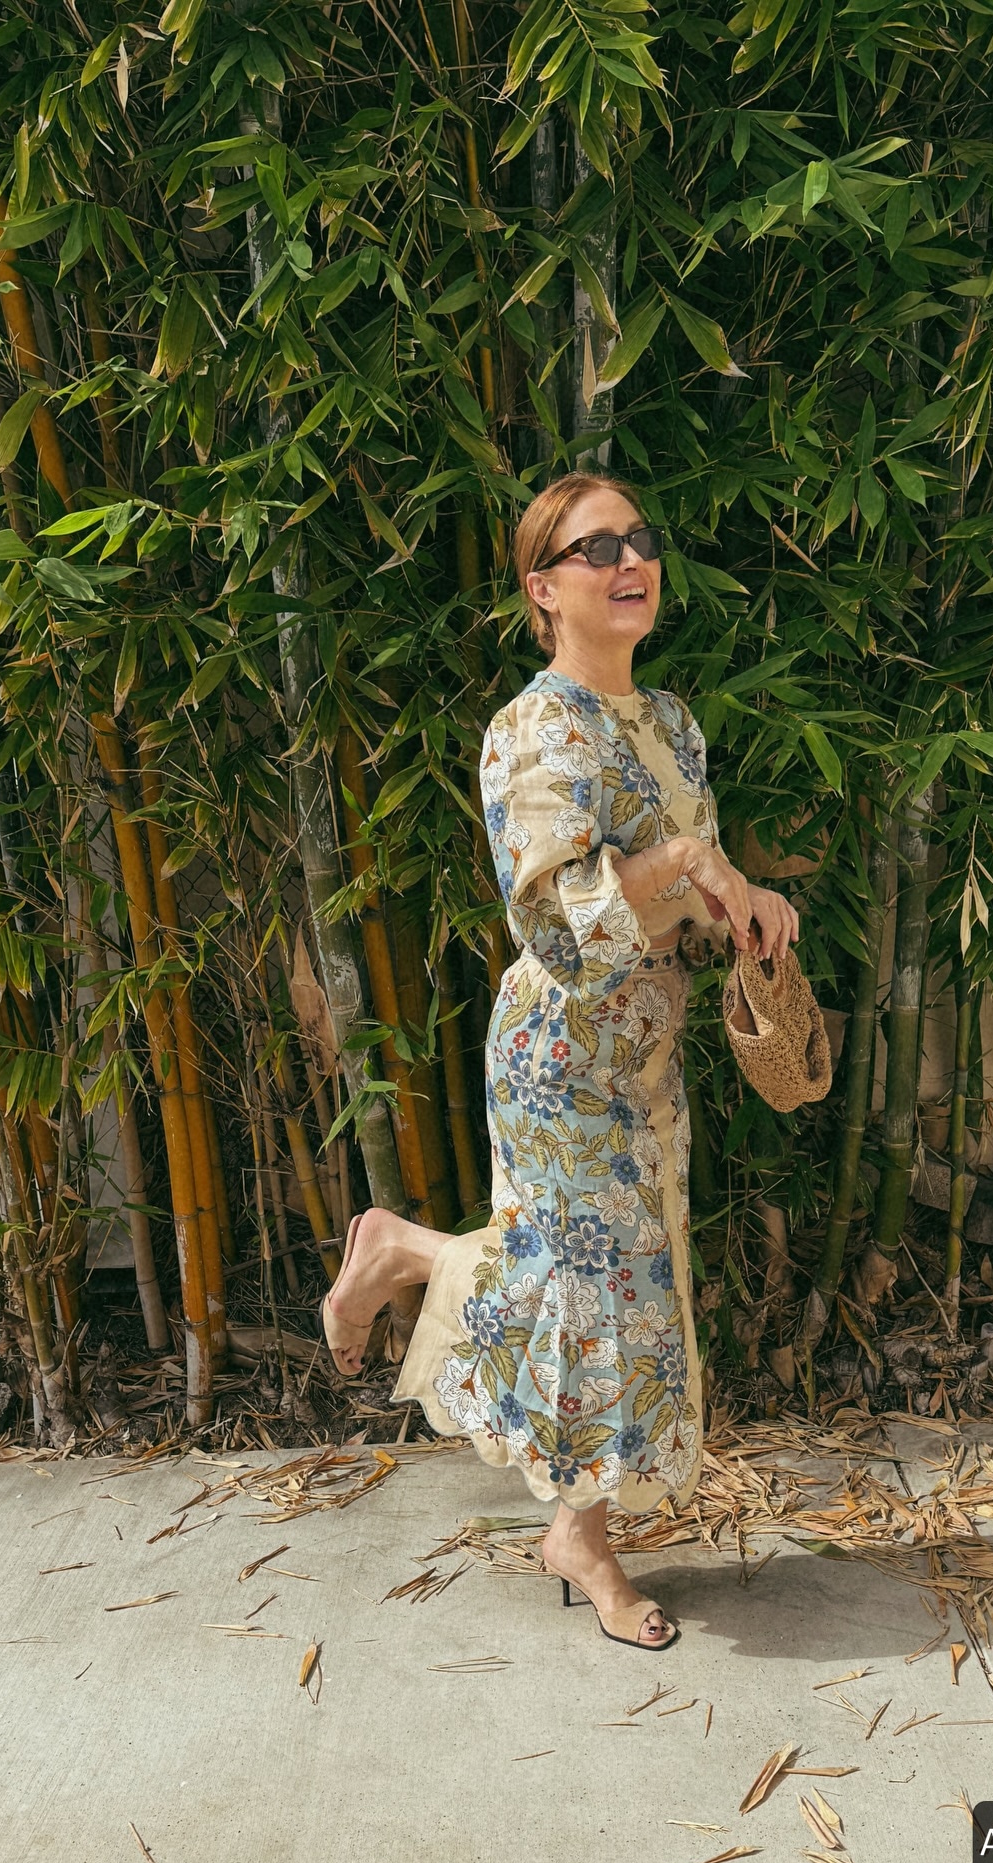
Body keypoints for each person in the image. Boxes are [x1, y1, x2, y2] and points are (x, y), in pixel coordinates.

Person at [320, 472, 800, 1649]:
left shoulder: (671, 722)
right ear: (543, 587)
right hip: (560, 1055)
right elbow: (558, 922)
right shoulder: (532, 730)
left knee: (618, 1298)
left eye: (641, 538)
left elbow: (687, 899)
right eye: (596, 548)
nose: (630, 560)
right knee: (584, 1296)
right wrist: (687, 860)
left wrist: (746, 909)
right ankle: (579, 1533)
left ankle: (407, 1254)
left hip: (648, 1056)